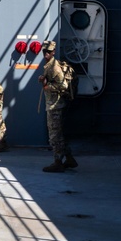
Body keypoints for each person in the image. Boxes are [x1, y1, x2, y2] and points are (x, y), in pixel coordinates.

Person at [38, 40, 78, 172]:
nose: (46, 54)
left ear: (53, 52)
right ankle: (69, 159)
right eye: (44, 51)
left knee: (54, 136)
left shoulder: (54, 67)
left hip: (55, 106)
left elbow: (63, 85)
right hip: (54, 104)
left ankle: (58, 162)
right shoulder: (49, 65)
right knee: (59, 134)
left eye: (48, 52)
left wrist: (46, 86)